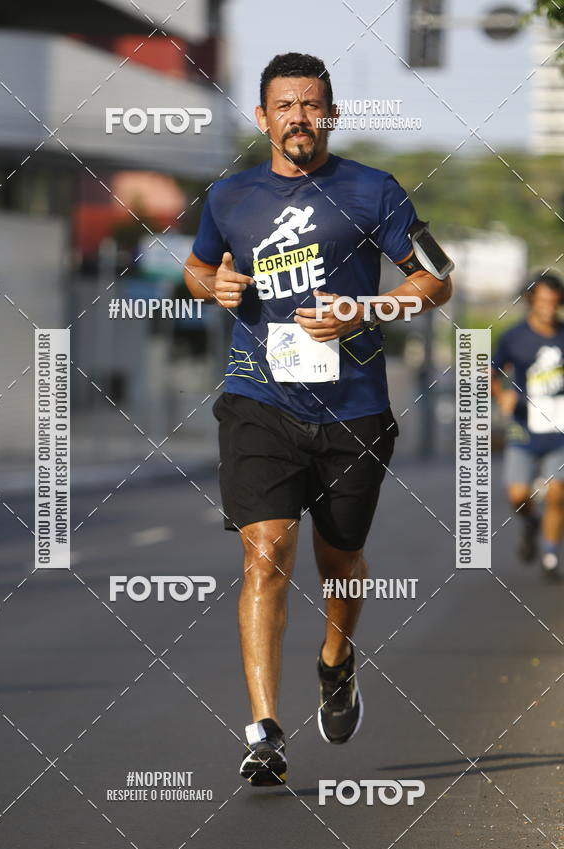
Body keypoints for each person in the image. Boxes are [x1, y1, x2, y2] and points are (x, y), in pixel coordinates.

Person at [184, 52, 452, 785]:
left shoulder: (375, 190)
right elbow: (197, 268)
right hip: (258, 399)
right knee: (264, 551)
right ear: (264, 117)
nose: (298, 117)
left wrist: (364, 308)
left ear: (329, 115)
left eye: (311, 105)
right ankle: (264, 729)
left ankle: (336, 661)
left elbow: (437, 278)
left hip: (353, 409)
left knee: (340, 560)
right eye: (284, 105)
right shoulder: (230, 195)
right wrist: (219, 283)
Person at [492, 273, 564, 578]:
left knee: (558, 492)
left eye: (554, 301)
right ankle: (531, 523)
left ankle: (550, 554)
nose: (549, 307)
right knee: (518, 496)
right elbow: (493, 372)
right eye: (542, 301)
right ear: (531, 302)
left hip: (559, 431)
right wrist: (502, 396)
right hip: (523, 428)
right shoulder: (513, 337)